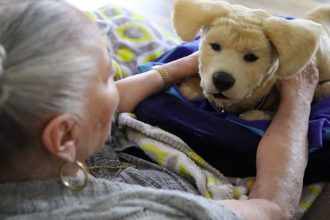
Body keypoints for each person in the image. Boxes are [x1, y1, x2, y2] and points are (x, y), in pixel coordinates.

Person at [0, 0, 319, 219]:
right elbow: (273, 209)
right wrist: (297, 100)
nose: (117, 78)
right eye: (108, 77)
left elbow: (104, 108)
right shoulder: (146, 212)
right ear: (65, 134)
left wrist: (180, 67)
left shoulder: (28, 151)